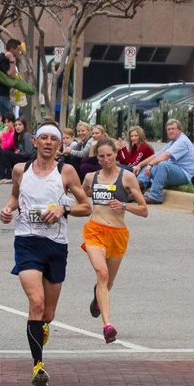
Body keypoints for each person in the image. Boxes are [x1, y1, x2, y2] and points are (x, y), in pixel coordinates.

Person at [0, 122, 91, 386]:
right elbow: (14, 197)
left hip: (56, 245)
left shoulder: (67, 172)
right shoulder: (21, 170)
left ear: (59, 145)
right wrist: (7, 210)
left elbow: (86, 206)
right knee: (36, 303)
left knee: (47, 313)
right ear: (35, 143)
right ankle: (38, 365)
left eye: (54, 139)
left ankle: (42, 328)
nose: (49, 142)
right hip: (27, 242)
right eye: (44, 138)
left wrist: (63, 210)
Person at [80, 138, 147, 344]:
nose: (105, 159)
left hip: (117, 233)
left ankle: (98, 297)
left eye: (109, 155)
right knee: (102, 273)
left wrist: (124, 206)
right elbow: (81, 199)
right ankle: (107, 326)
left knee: (108, 282)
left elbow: (144, 210)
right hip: (95, 230)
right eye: (101, 156)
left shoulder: (126, 177)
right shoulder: (91, 177)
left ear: (115, 154)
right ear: (97, 157)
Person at [133, 119, 194, 204]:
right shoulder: (172, 142)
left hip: (184, 174)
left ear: (179, 130)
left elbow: (166, 155)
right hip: (173, 171)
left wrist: (151, 164)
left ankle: (156, 196)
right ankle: (138, 187)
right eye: (168, 129)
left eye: (173, 129)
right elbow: (156, 155)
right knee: (148, 165)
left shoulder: (182, 141)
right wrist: (140, 164)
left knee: (163, 165)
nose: (170, 131)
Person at [0, 116, 35, 182]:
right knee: (0, 151)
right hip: (21, 156)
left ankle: (6, 176)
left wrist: (18, 152)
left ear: (24, 126)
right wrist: (5, 134)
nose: (17, 127)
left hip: (27, 160)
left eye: (20, 124)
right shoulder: (17, 135)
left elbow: (28, 153)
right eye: (16, 125)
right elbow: (4, 146)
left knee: (6, 153)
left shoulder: (27, 135)